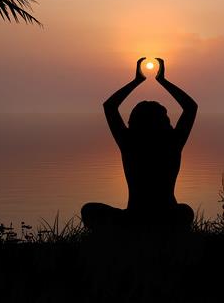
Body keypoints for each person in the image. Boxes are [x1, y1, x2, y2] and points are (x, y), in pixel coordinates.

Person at [81, 57, 197, 232]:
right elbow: (190, 107)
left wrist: (136, 81)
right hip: (165, 217)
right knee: (185, 211)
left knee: (89, 209)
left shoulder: (129, 143)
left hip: (133, 219)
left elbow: (110, 106)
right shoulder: (173, 143)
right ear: (164, 122)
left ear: (133, 122)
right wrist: (162, 81)